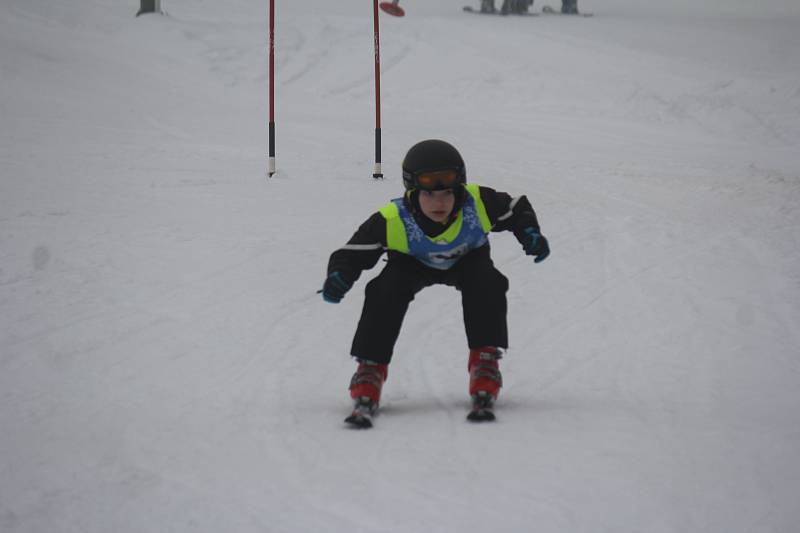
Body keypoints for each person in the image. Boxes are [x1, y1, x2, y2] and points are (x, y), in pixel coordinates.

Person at [321, 140, 550, 424]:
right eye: (429, 195)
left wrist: (529, 233)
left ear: (460, 190)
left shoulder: (477, 202)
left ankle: (485, 361)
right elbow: (353, 252)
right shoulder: (393, 218)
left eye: (447, 194)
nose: (439, 203)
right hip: (410, 264)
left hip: (469, 260)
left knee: (488, 282)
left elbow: (516, 208)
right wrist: (339, 276)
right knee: (384, 290)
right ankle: (370, 368)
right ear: (412, 193)